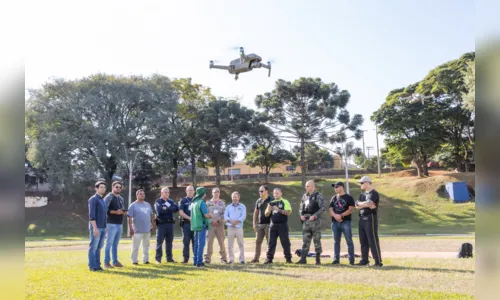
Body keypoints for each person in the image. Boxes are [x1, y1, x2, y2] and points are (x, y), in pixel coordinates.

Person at [355, 176, 383, 267]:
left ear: (367, 183)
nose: (360, 184)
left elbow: (369, 203)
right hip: (362, 218)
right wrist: (364, 204)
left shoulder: (374, 193)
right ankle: (364, 260)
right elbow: (356, 205)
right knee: (363, 241)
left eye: (362, 183)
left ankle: (378, 261)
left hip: (370, 218)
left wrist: (363, 204)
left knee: (372, 240)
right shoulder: (362, 194)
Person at [297, 180, 325, 265]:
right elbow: (301, 208)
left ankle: (317, 259)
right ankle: (303, 258)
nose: (306, 187)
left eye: (308, 186)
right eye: (306, 186)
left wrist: (315, 216)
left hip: (315, 220)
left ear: (313, 187)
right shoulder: (305, 196)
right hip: (306, 221)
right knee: (305, 240)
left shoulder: (318, 195)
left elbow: (322, 208)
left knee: (316, 239)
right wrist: (301, 215)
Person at [329, 181, 356, 265]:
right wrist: (335, 216)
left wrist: (341, 215)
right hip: (335, 223)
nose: (335, 188)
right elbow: (330, 209)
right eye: (334, 187)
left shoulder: (349, 197)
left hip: (346, 222)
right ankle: (336, 259)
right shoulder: (333, 198)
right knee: (336, 242)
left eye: (337, 187)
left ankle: (351, 260)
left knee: (349, 241)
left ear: (342, 187)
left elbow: (351, 209)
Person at [264, 188, 293, 264]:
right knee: (271, 242)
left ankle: (288, 259)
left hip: (282, 225)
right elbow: (266, 214)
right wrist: (269, 210)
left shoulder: (284, 201)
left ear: (281, 193)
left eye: (277, 193)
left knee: (285, 242)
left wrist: (278, 210)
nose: (275, 195)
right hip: (273, 225)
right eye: (274, 193)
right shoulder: (271, 202)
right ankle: (269, 259)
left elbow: (288, 212)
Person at [127, 189, 155, 265]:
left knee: (146, 246)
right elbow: (129, 217)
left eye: (143, 194)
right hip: (137, 230)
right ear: (137, 195)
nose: (143, 195)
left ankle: (145, 260)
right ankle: (134, 261)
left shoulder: (147, 204)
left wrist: (152, 225)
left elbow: (151, 215)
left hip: (147, 229)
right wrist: (130, 228)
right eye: (140, 194)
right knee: (135, 247)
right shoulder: (133, 205)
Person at [103, 181, 126, 268]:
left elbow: (122, 209)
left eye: (120, 187)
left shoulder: (120, 198)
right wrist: (116, 212)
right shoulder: (108, 197)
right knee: (109, 243)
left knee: (115, 244)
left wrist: (123, 212)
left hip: (119, 223)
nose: (118, 189)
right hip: (110, 223)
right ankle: (106, 262)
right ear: (112, 187)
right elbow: (104, 210)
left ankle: (115, 261)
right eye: (117, 187)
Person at [154, 187, 179, 263]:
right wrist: (170, 209)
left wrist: (166, 209)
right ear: (161, 193)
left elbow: (176, 208)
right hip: (161, 224)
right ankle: (158, 259)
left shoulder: (171, 201)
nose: (167, 194)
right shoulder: (158, 201)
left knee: (169, 242)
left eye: (168, 192)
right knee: (159, 242)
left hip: (170, 224)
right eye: (165, 192)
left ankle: (169, 259)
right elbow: (160, 210)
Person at [203, 187, 228, 264]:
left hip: (219, 225)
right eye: (215, 192)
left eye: (218, 192)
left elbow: (225, 214)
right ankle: (207, 258)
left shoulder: (222, 203)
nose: (216, 193)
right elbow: (205, 214)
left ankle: (223, 258)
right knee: (209, 242)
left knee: (221, 242)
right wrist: (211, 221)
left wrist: (219, 220)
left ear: (219, 193)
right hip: (210, 225)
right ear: (212, 193)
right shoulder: (207, 203)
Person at [88, 181, 107, 271]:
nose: (103, 189)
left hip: (102, 227)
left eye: (104, 187)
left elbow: (103, 215)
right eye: (101, 187)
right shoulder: (93, 199)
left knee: (99, 247)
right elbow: (92, 216)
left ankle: (97, 265)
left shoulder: (102, 200)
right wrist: (95, 228)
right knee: (93, 247)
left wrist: (105, 227)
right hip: (96, 227)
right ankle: (92, 266)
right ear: (96, 188)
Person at [190, 187, 212, 267]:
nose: (206, 194)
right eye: (205, 193)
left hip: (194, 225)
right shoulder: (201, 203)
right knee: (201, 244)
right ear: (203, 194)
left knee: (196, 244)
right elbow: (206, 215)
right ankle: (199, 262)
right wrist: (210, 215)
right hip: (201, 225)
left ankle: (195, 261)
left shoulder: (193, 202)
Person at [250, 185, 273, 263]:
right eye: (259, 191)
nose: (260, 192)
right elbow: (255, 213)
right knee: (258, 242)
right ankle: (256, 258)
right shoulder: (258, 201)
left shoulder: (271, 200)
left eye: (262, 191)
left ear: (266, 191)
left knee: (269, 242)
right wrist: (254, 223)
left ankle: (268, 258)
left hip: (269, 224)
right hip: (260, 225)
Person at [224, 191, 247, 264]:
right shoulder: (228, 207)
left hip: (239, 227)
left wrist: (237, 221)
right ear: (232, 198)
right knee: (230, 245)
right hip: (230, 227)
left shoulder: (242, 206)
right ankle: (231, 259)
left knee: (241, 244)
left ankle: (242, 259)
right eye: (233, 197)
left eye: (236, 197)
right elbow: (225, 216)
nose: (235, 198)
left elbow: (243, 216)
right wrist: (231, 221)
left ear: (238, 197)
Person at [178, 186, 195, 264]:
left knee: (195, 242)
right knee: (186, 242)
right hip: (186, 224)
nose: (190, 192)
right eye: (189, 190)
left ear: (194, 191)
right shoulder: (183, 200)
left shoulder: (197, 200)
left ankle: (196, 258)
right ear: (186, 191)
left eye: (191, 190)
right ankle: (185, 259)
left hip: (196, 224)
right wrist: (189, 218)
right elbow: (181, 212)